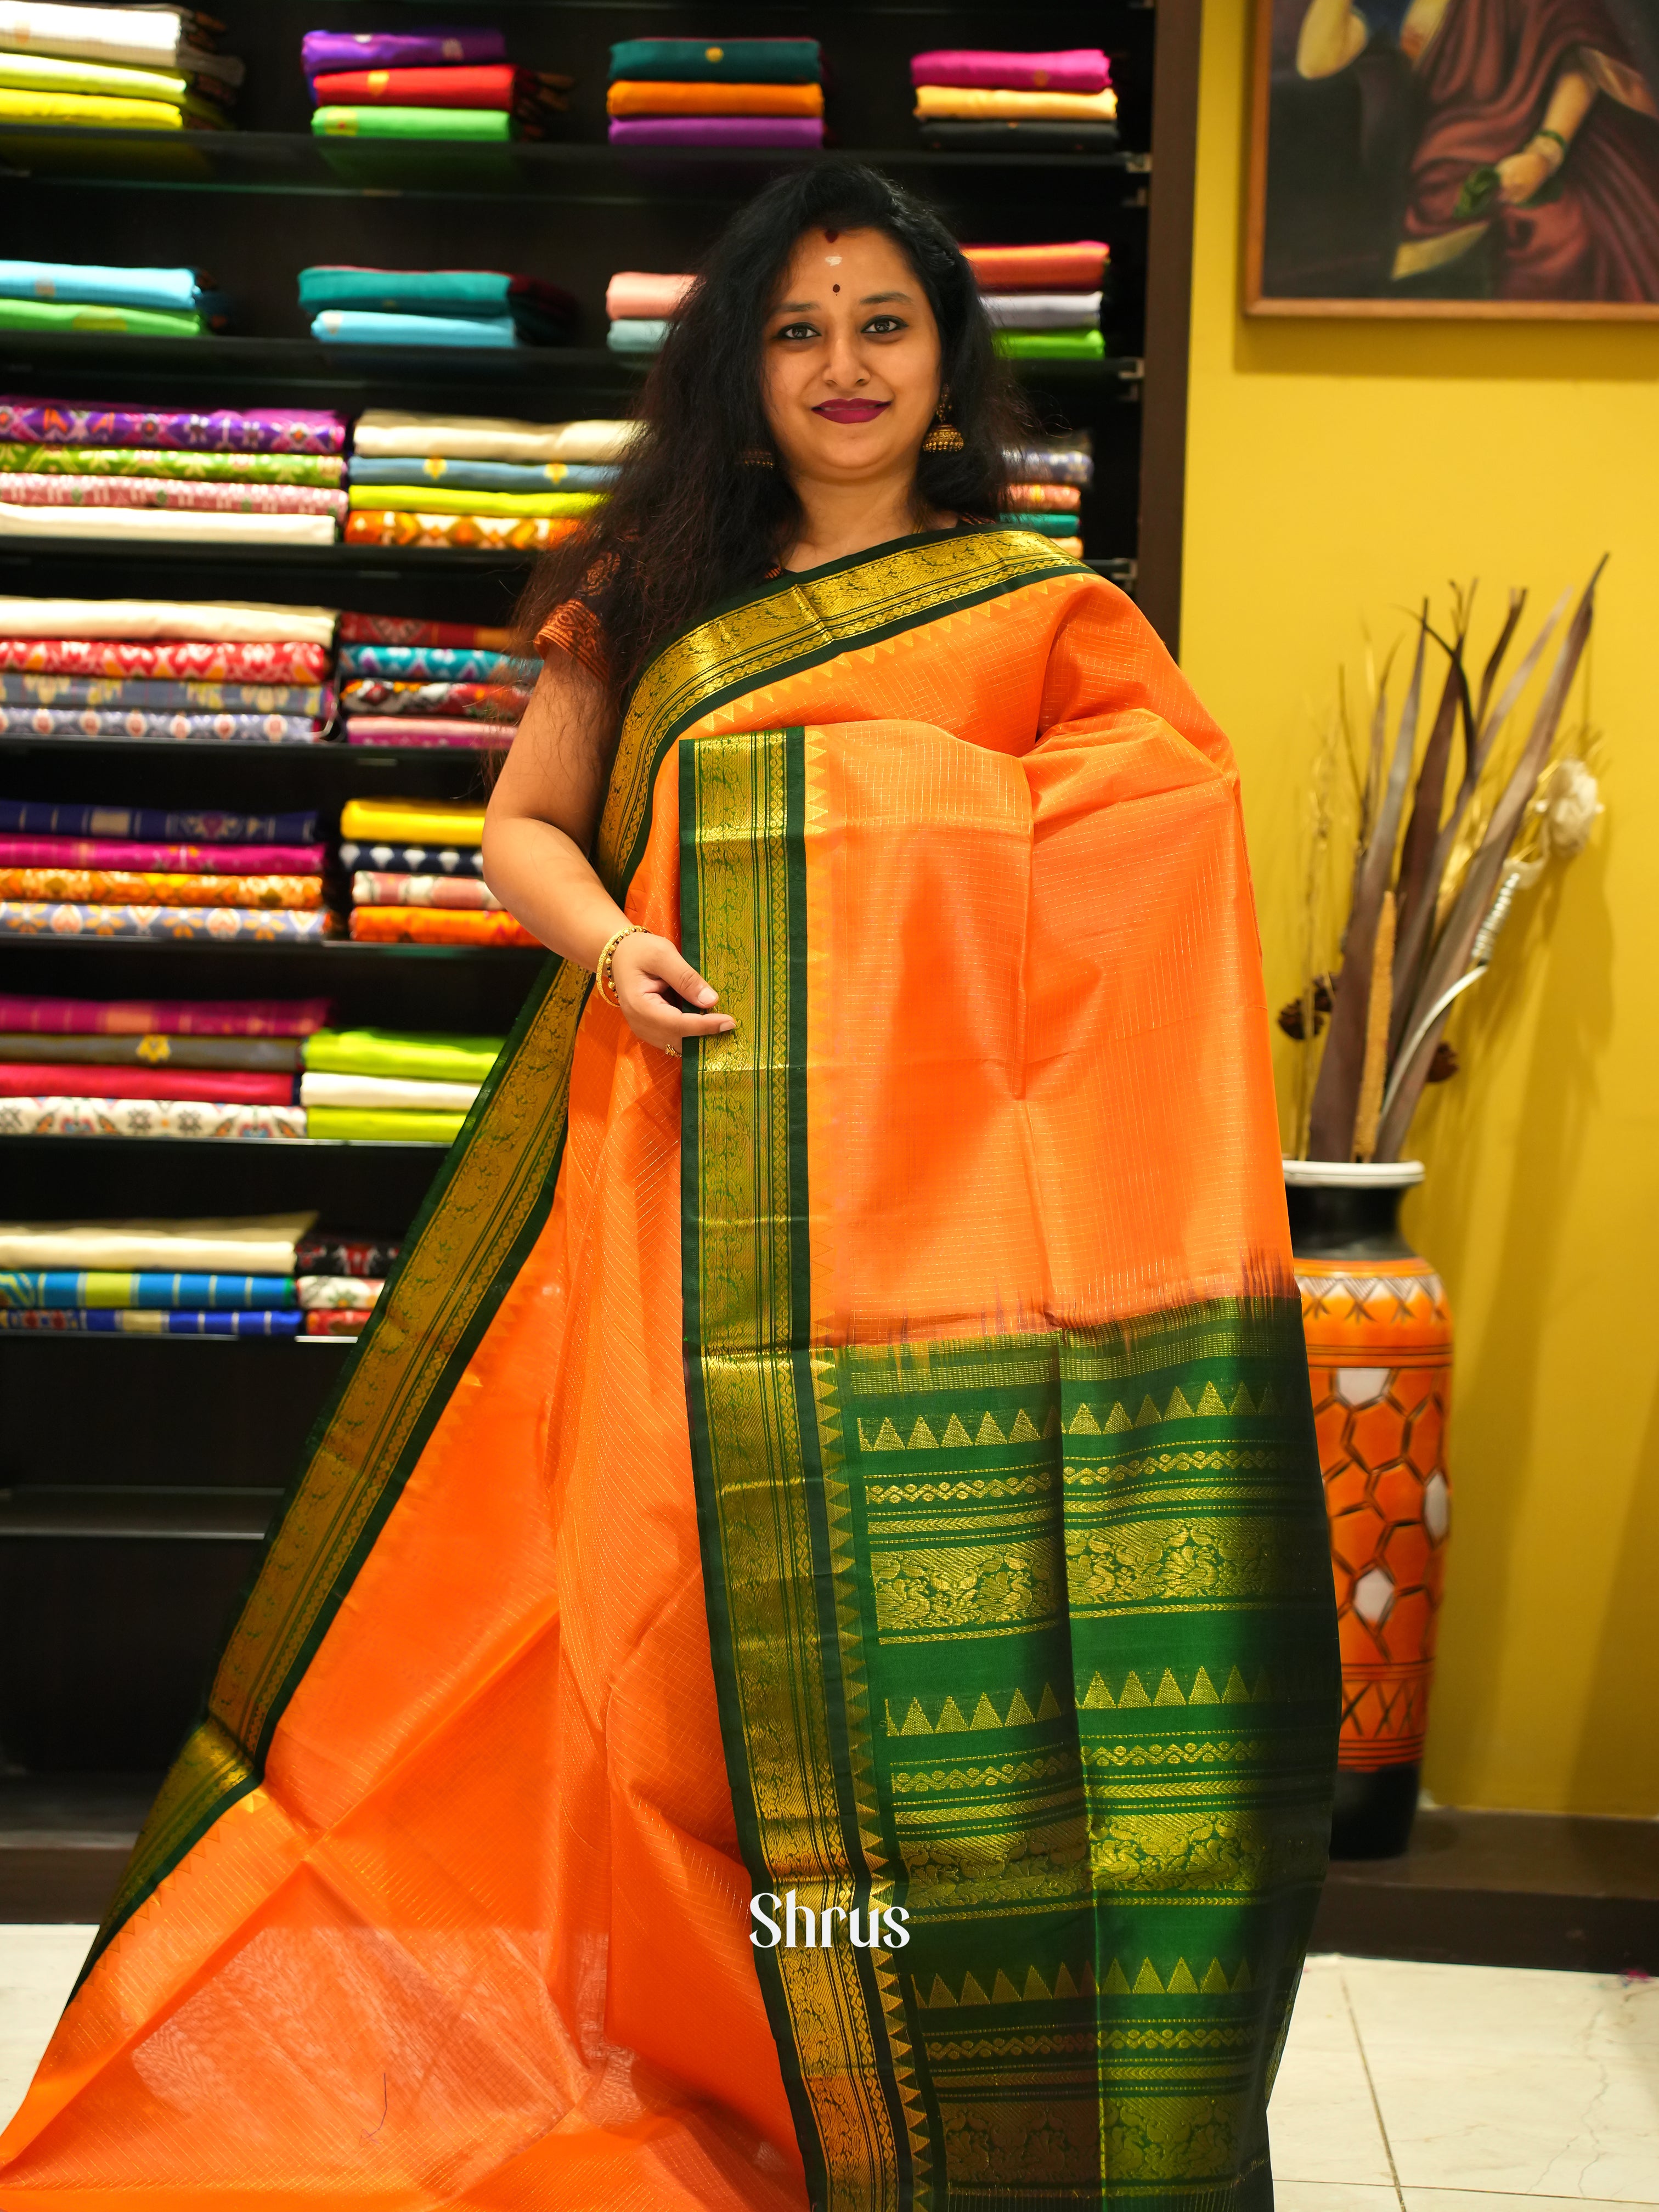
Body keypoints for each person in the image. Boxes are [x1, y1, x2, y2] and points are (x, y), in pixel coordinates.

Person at [0, 166, 1338, 2210]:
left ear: (948, 358)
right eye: (796, 330)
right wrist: (616, 943)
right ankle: (717, 2034)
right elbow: (521, 833)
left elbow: (1152, 839)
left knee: (925, 1678)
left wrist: (886, 842)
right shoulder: (649, 598)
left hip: (949, 1244)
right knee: (681, 1640)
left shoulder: (1040, 610)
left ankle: (891, 2057)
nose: (841, 367)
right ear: (735, 369)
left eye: (881, 323)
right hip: (682, 1190)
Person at [1295, 0, 1659, 298]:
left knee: (1566, 234)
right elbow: (1315, 63)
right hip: (1448, 163)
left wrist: (1544, 154)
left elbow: (1580, 61)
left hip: (1553, 147)